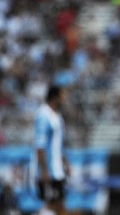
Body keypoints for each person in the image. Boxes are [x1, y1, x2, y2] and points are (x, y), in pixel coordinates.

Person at [34, 85, 70, 215]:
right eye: (63, 95)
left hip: (58, 169)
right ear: (55, 97)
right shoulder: (43, 115)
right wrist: (44, 170)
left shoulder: (57, 116)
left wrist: (66, 163)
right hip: (49, 170)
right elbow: (40, 144)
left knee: (60, 205)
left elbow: (59, 144)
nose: (65, 98)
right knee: (52, 206)